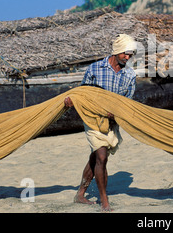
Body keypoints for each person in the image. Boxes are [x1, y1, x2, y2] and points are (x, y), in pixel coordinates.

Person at [64, 34, 137, 212]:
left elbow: (128, 101)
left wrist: (117, 113)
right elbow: (82, 92)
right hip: (93, 118)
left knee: (96, 157)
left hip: (113, 122)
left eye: (131, 55)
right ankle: (104, 201)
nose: (127, 58)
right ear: (117, 51)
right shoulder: (95, 69)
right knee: (102, 157)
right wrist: (71, 99)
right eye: (125, 54)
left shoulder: (129, 74)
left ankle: (80, 194)